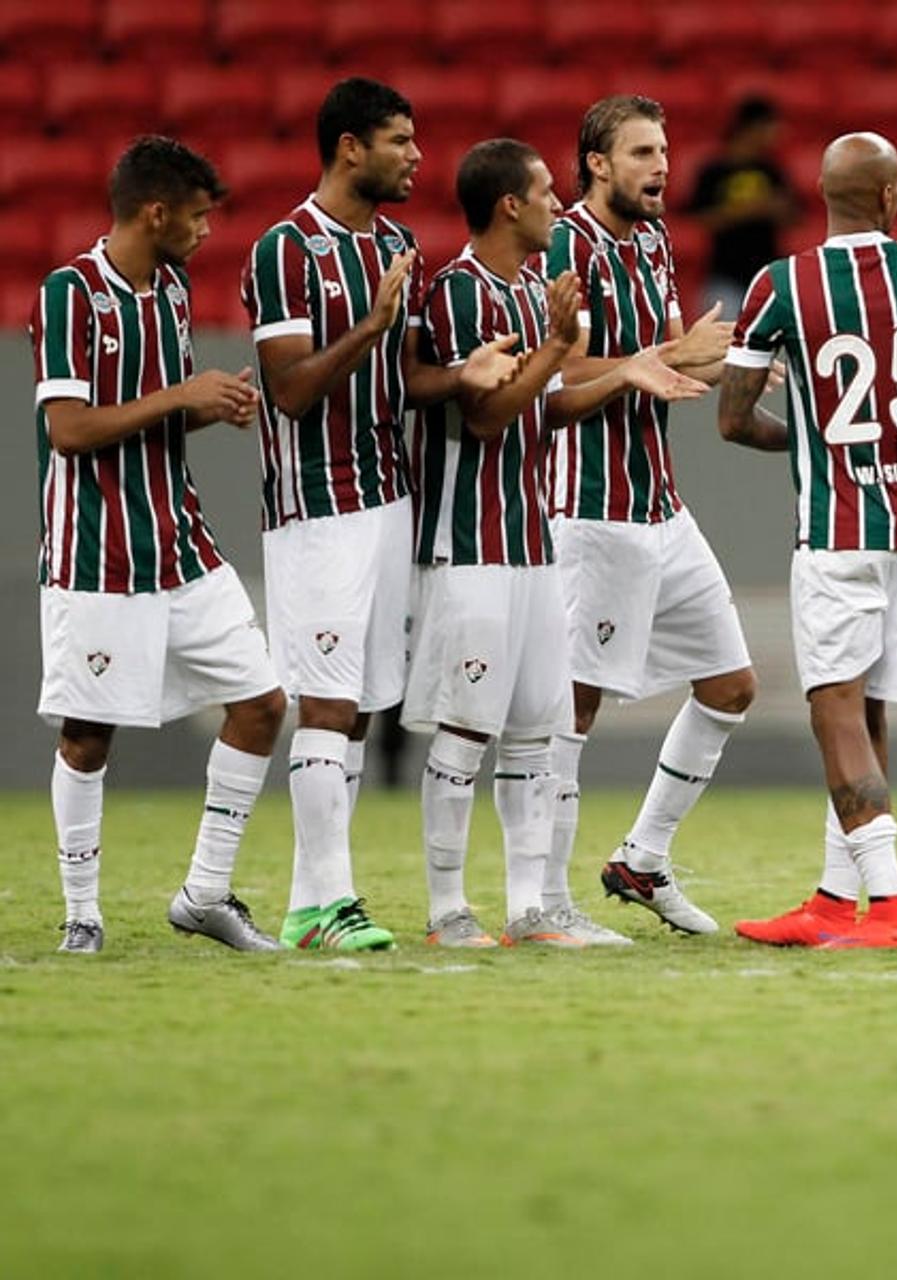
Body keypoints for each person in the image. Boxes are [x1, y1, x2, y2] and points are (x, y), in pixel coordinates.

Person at [407, 138, 708, 949]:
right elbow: (486, 414)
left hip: (532, 536)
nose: (555, 202)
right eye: (544, 191)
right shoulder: (460, 295)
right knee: (469, 729)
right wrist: (557, 349)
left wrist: (613, 373)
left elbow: (547, 409)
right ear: (510, 204)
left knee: (538, 728)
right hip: (468, 542)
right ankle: (445, 912)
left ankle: (532, 910)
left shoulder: (525, 294)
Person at [242, 77, 517, 951]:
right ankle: (328, 903)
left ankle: (312, 901)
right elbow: (288, 391)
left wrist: (458, 375)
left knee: (355, 708)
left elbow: (402, 379)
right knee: (323, 703)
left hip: (387, 496)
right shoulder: (284, 250)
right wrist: (368, 327)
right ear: (350, 147)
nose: (417, 156)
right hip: (315, 506)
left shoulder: (396, 243)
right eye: (400, 139)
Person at [718, 132, 897, 949]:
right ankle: (832, 900)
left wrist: (816, 431)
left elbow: (733, 419)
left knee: (834, 709)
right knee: (869, 709)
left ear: (821, 193)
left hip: (839, 529)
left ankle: (889, 906)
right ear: (893, 195)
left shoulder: (781, 285)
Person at [33, 137, 283, 955]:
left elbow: (153, 416)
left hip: (180, 546)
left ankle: (205, 893)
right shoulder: (71, 293)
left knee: (260, 703)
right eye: (200, 216)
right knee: (88, 735)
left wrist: (206, 407)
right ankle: (82, 912)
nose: (207, 232)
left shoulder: (170, 290)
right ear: (156, 211)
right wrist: (179, 393)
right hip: (96, 552)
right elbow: (69, 431)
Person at [545, 94, 750, 941]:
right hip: (593, 512)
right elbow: (559, 376)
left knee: (731, 685)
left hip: (660, 503)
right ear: (596, 163)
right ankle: (545, 900)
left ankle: (643, 858)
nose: (661, 167)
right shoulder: (565, 243)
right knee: (573, 707)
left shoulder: (656, 240)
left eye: (663, 151)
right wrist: (667, 355)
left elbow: (668, 356)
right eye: (640, 153)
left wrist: (708, 361)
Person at [688, 95, 797, 315]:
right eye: (770, 125)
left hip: (768, 276)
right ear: (753, 127)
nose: (776, 133)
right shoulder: (714, 170)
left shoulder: (772, 169)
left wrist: (778, 210)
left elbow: (794, 215)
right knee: (720, 344)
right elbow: (697, 219)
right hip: (724, 275)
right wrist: (746, 211)